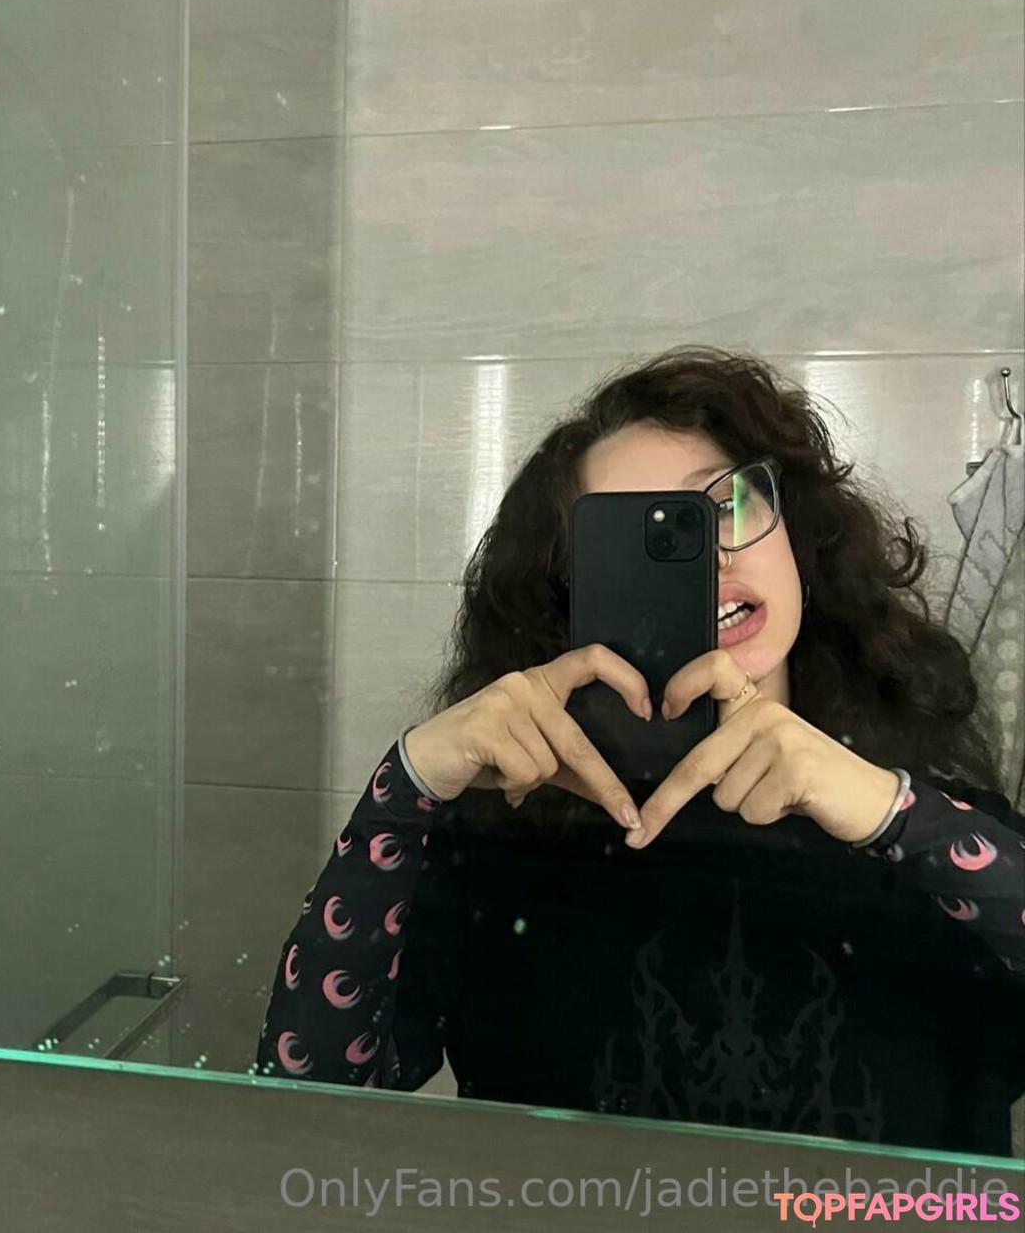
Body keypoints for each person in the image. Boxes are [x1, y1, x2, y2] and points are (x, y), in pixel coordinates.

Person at [256, 347, 1025, 1157]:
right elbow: (304, 1105)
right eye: (640, 535)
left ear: (799, 534)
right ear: (569, 596)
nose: (714, 558)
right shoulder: (498, 838)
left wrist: (892, 813)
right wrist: (406, 785)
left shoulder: (934, 835)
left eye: (727, 503)